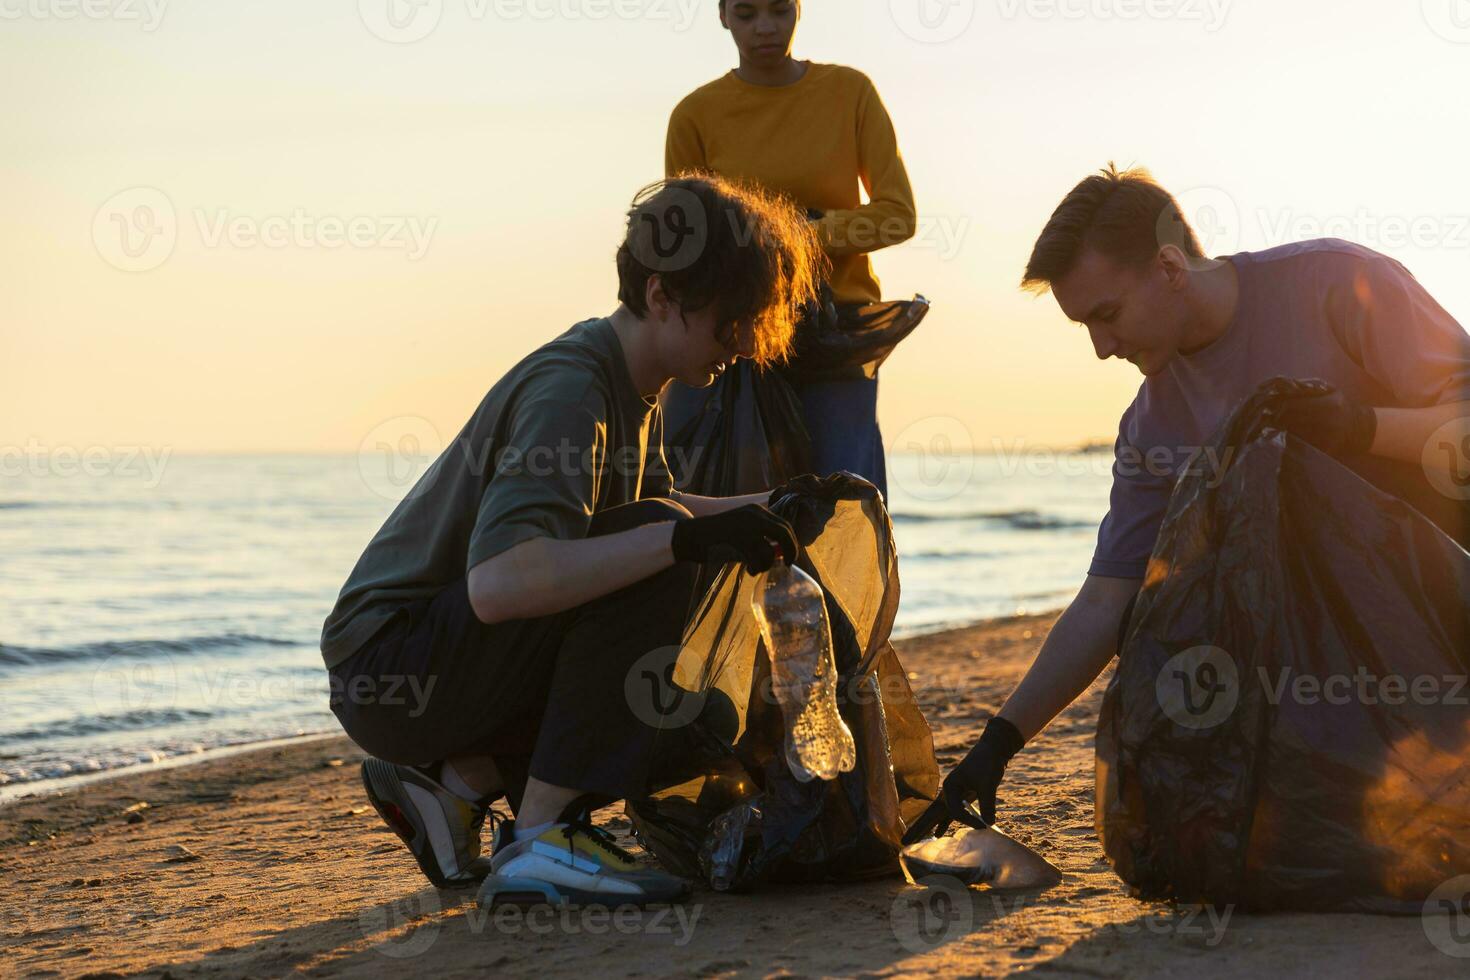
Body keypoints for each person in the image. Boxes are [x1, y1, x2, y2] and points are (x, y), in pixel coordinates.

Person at [915, 164, 1470, 835]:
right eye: (1083, 327)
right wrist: (996, 747)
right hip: (1321, 657)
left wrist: (1357, 425)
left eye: (1107, 315)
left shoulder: (1340, 284)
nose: (1100, 349)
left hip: (1440, 595)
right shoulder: (1151, 423)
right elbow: (1108, 599)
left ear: (1171, 268)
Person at [320, 175, 823, 906]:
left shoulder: (637, 384)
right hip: (397, 666)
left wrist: (779, 503)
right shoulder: (572, 389)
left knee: (697, 722)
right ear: (660, 296)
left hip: (442, 660)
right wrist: (685, 541)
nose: (742, 346)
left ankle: (454, 788)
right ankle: (539, 838)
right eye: (729, 322)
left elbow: (651, 508)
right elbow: (499, 583)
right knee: (663, 546)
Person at [662, 0, 917, 497]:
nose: (765, 28)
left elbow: (898, 216)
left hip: (835, 333)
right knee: (718, 503)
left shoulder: (850, 93)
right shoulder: (694, 115)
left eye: (780, 11)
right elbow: (682, 242)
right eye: (746, 13)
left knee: (842, 502)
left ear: (800, 11)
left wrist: (798, 234)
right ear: (722, 15)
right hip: (734, 338)